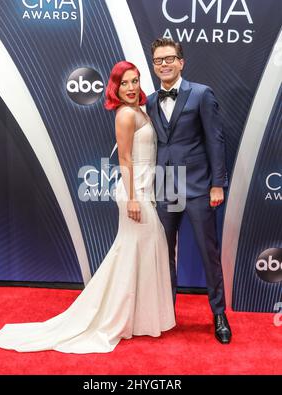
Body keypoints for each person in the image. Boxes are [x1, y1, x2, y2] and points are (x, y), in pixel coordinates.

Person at [0, 61, 176, 354]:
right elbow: (125, 159)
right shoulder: (126, 114)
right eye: (124, 82)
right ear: (115, 86)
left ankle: (134, 317)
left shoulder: (140, 110)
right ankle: (114, 317)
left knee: (138, 251)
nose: (130, 87)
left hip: (143, 189)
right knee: (134, 251)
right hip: (132, 190)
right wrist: (131, 198)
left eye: (135, 81)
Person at [146, 38, 232, 344]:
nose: (164, 64)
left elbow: (215, 140)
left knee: (209, 253)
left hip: (198, 186)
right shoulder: (150, 101)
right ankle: (166, 311)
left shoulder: (201, 94)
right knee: (163, 254)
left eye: (170, 58)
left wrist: (217, 184)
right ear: (154, 66)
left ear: (181, 62)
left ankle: (219, 314)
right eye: (158, 60)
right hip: (165, 187)